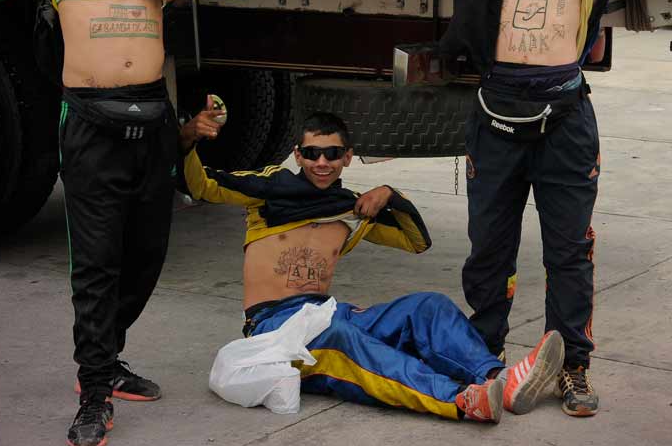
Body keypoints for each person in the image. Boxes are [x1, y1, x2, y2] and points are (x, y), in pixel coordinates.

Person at [0, 0, 252, 446]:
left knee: (145, 256)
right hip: (91, 120)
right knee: (96, 262)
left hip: (152, 119)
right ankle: (93, 389)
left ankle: (109, 357)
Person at [410, 0, 672, 416]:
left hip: (565, 114)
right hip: (497, 110)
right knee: (489, 246)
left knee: (569, 250)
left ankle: (572, 366)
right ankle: (482, 354)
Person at [179, 108, 565, 424]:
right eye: (312, 153)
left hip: (326, 313)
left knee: (427, 307)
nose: (322, 162)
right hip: (274, 329)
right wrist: (188, 138)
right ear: (297, 155)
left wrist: (390, 195)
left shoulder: (351, 207)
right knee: (344, 337)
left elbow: (416, 242)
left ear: (348, 156)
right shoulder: (267, 191)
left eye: (333, 153)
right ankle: (462, 399)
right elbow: (202, 186)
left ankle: (501, 379)